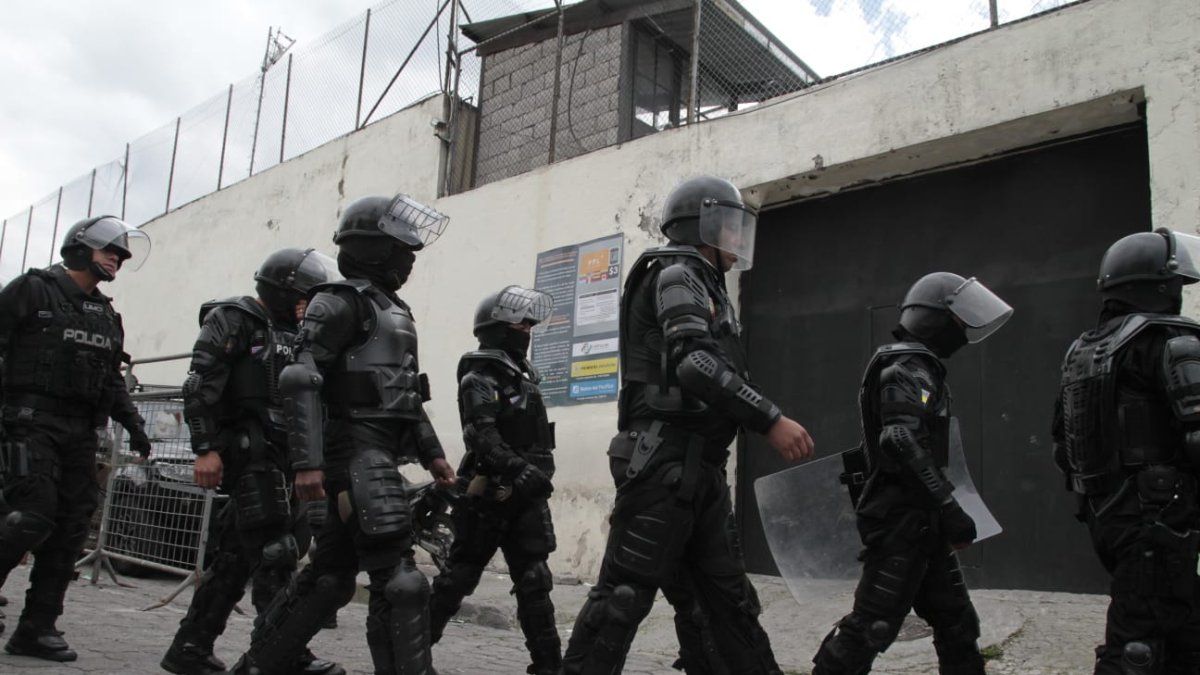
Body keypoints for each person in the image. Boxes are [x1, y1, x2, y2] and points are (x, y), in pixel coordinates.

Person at [561, 175, 815, 675]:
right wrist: (769, 419)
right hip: (662, 462)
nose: (739, 239)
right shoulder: (677, 273)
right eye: (730, 226)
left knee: (727, 604)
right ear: (704, 224)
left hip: (699, 467)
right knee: (623, 598)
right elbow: (694, 365)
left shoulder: (703, 281)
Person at [228, 194, 456, 675]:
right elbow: (300, 378)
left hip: (376, 455)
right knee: (401, 582)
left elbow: (405, 393)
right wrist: (306, 461)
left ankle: (257, 665)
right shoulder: (339, 301)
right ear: (375, 249)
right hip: (355, 454)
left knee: (330, 577)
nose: (410, 258)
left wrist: (433, 455)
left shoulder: (391, 308)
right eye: (401, 248)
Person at [811, 272, 1012, 675]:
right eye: (956, 319)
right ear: (933, 318)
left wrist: (941, 511)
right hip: (900, 522)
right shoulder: (906, 367)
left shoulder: (921, 366)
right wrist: (948, 505)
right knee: (872, 625)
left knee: (957, 624)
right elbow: (899, 439)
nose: (961, 329)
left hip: (923, 521)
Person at [160, 248, 343, 675]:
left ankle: (190, 646)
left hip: (285, 456)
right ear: (280, 288)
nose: (309, 305)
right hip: (249, 451)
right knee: (276, 552)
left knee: (233, 558)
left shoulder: (299, 336)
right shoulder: (233, 319)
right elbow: (199, 385)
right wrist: (204, 449)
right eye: (303, 295)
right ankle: (283, 653)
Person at [0, 216, 152, 661]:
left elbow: (109, 379)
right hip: (30, 422)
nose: (116, 260)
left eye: (122, 257)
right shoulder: (32, 289)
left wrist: (135, 426)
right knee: (29, 515)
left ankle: (37, 627)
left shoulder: (105, 314)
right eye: (110, 251)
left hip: (81, 431)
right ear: (82, 249)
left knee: (69, 528)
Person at [1052, 228, 1200, 674]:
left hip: (1109, 515)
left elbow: (1063, 444)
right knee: (1136, 648)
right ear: (1160, 285)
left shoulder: (1086, 350)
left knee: (1183, 636)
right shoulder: (1170, 339)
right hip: (1161, 520)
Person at [427, 285, 560, 675]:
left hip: (527, 494)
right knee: (459, 579)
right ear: (498, 328)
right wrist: (519, 470)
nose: (528, 330)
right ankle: (409, 656)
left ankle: (550, 667)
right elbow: (481, 436)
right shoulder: (479, 378)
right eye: (521, 323)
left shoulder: (523, 379)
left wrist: (538, 474)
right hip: (490, 491)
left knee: (535, 580)